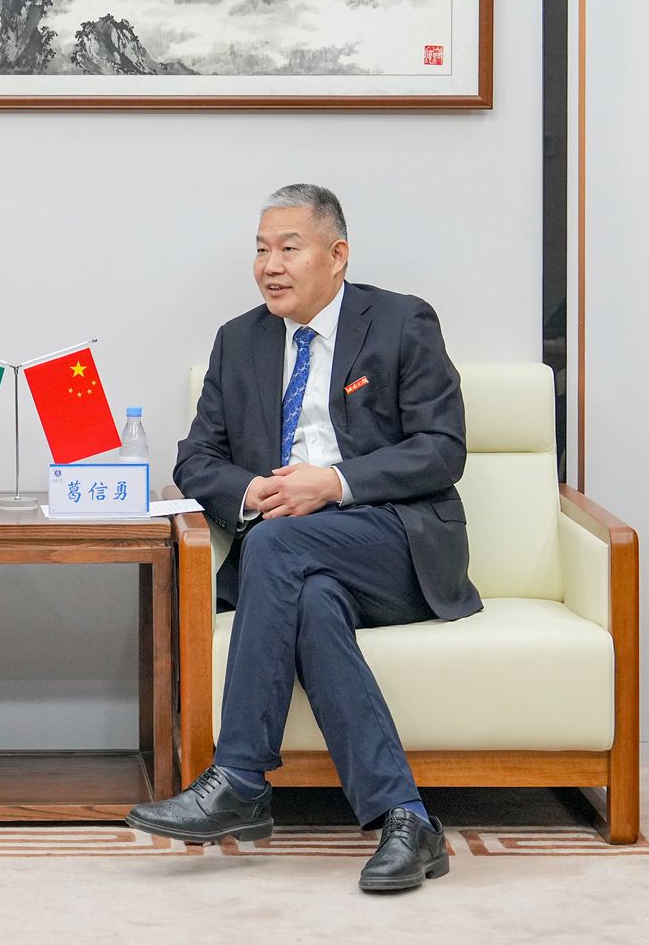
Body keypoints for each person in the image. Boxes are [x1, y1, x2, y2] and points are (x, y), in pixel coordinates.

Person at [126, 183, 480, 892]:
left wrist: (334, 482)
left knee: (275, 545)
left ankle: (240, 777)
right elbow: (197, 458)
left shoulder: (401, 322)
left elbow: (442, 449)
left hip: (395, 545)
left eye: (289, 248)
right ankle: (408, 821)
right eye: (261, 250)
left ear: (337, 255)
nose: (270, 266)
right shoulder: (239, 341)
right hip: (299, 561)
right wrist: (247, 491)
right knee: (310, 601)